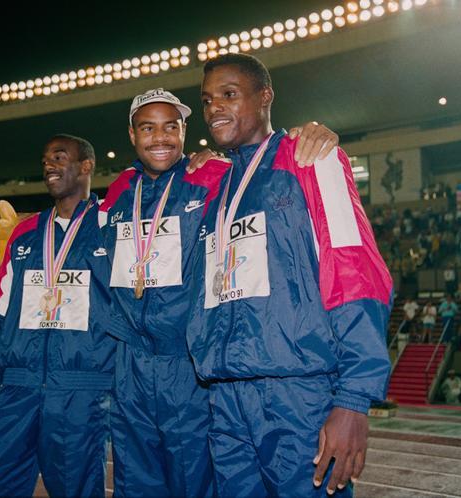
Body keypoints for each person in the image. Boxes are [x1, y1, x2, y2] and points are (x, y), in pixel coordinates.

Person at [99, 88, 338, 497]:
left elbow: (258, 170)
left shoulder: (212, 176)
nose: (160, 137)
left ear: (185, 130)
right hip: (131, 366)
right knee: (135, 482)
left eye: (171, 127)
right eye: (148, 128)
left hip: (189, 366)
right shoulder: (119, 190)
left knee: (196, 481)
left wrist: (306, 135)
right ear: (132, 134)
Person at [187, 54, 393, 497]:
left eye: (229, 94)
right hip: (226, 399)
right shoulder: (215, 187)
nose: (214, 108)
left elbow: (354, 275)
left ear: (265, 96)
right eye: (206, 100)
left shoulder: (312, 159)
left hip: (299, 395)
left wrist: (354, 398)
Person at [0, 135, 116, 498]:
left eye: (59, 157)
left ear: (86, 166)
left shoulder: (112, 226)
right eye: (45, 160)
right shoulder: (24, 233)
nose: (49, 165)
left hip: (81, 394)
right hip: (17, 390)